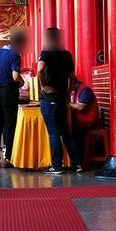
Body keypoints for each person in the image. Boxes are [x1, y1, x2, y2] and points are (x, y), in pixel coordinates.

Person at [37, 27, 82, 174]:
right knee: (65, 131)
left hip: (49, 97)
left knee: (54, 133)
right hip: (62, 97)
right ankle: (78, 163)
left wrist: (44, 86)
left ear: (48, 38)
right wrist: (67, 93)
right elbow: (71, 76)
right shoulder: (67, 55)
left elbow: (39, 69)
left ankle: (57, 166)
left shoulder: (46, 53)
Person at [0, 29, 27, 168]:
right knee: (9, 124)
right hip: (8, 90)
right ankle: (9, 156)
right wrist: (23, 83)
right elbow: (15, 76)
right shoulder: (14, 55)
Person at [68, 74, 99, 169]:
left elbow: (81, 107)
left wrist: (68, 105)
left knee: (71, 135)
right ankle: (75, 162)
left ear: (72, 82)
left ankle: (79, 163)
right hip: (79, 121)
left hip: (88, 122)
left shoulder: (85, 90)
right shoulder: (74, 91)